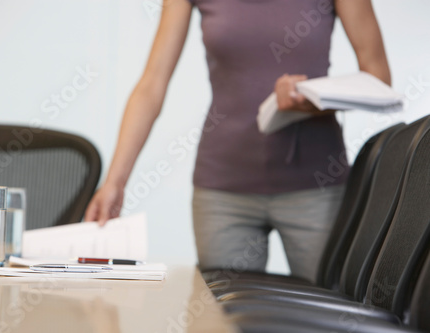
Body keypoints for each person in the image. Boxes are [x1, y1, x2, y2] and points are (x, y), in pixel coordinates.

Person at [84, 0, 390, 283]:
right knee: (223, 318)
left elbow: (378, 76)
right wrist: (115, 181)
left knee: (328, 316)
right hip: (223, 191)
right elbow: (152, 84)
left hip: (317, 187)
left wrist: (314, 98)